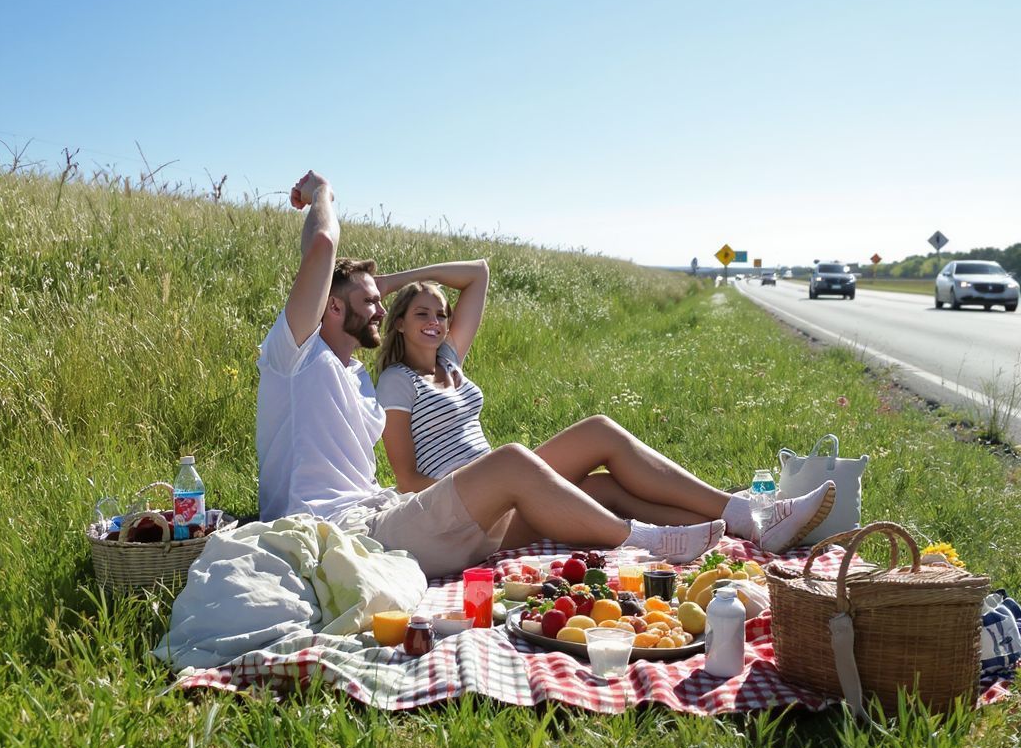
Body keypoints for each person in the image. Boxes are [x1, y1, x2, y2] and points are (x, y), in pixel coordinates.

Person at [256, 170, 835, 579]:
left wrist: (375, 275)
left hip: (379, 510)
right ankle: (651, 542)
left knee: (600, 458)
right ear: (331, 310)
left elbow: (458, 273)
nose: (382, 307)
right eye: (373, 301)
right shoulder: (295, 359)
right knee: (516, 461)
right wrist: (322, 192)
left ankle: (744, 519)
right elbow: (324, 246)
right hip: (353, 525)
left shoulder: (355, 375)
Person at [374, 268, 836, 556]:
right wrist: (484, 483)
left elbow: (478, 274)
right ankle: (739, 518)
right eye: (421, 314)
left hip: (503, 487)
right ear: (399, 323)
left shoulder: (449, 360)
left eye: (440, 313)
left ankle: (748, 524)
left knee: (604, 474)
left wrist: (395, 281)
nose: (436, 322)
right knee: (553, 453)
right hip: (465, 510)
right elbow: (407, 481)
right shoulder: (398, 379)